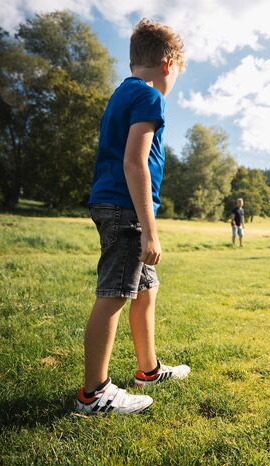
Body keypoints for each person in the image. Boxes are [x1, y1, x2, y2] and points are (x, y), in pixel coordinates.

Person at [75, 19, 189, 415]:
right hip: (127, 209)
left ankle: (148, 370)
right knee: (113, 295)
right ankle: (94, 393)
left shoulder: (122, 93)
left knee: (145, 289)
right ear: (168, 64)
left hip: (115, 204)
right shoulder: (150, 98)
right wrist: (150, 232)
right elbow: (134, 162)